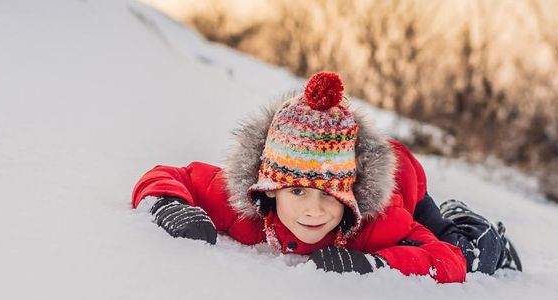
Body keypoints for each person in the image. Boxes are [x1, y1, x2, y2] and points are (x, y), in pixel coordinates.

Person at [130, 72, 520, 282]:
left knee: (467, 254)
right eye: (297, 190)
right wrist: (169, 205)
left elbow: (445, 261)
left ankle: (482, 229)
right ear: (269, 190)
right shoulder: (245, 208)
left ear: (349, 195)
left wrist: (376, 265)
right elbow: (172, 175)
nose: (314, 210)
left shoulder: (374, 225)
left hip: (404, 188)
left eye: (330, 194)